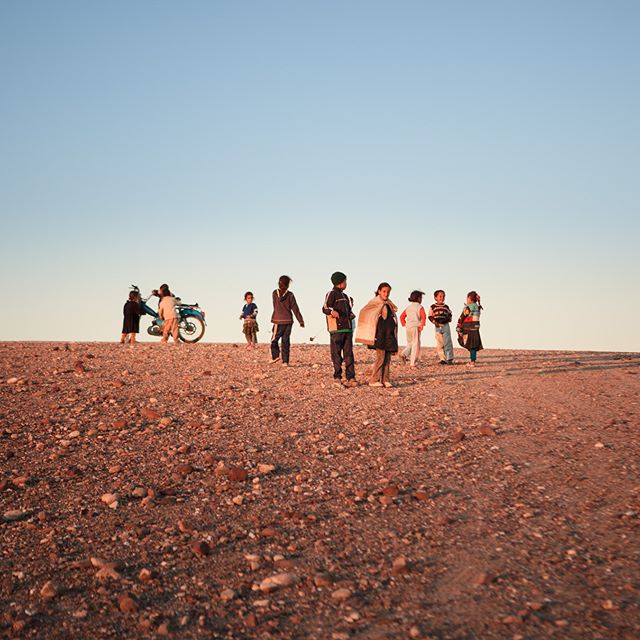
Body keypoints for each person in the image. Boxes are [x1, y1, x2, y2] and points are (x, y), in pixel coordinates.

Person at [355, 282, 398, 388]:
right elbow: (365, 312)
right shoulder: (374, 303)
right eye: (384, 291)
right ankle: (374, 379)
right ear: (379, 291)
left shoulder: (389, 304)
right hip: (379, 334)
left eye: (388, 292)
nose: (386, 294)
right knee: (380, 357)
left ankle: (386, 379)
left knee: (387, 357)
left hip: (389, 334)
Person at [322, 271, 356, 386]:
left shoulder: (346, 296)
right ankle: (337, 376)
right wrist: (332, 312)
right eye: (345, 281)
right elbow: (325, 308)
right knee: (336, 354)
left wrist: (351, 314)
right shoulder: (331, 294)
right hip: (336, 329)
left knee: (349, 354)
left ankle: (351, 377)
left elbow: (349, 311)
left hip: (347, 329)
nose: (346, 283)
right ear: (340, 283)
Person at [270, 275, 304, 365]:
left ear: (279, 283)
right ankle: (285, 361)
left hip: (278, 320)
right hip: (288, 321)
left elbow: (275, 306)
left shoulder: (274, 293)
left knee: (274, 339)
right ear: (288, 284)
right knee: (286, 340)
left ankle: (275, 356)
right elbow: (295, 308)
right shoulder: (290, 295)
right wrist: (300, 320)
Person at [399, 290, 426, 368]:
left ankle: (404, 354)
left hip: (408, 327)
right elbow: (423, 316)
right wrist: (422, 325)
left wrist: (404, 324)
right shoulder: (420, 307)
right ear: (418, 298)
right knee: (415, 344)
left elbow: (402, 316)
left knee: (410, 343)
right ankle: (412, 363)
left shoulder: (408, 307)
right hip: (415, 327)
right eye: (421, 298)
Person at [456, 291, 483, 366]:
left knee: (468, 344)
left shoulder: (468, 307)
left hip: (468, 329)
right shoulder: (477, 307)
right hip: (475, 329)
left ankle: (472, 362)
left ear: (469, 298)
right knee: (473, 346)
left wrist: (458, 327)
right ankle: (473, 361)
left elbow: (462, 317)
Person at [428, 289, 454, 364]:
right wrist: (434, 322)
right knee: (439, 343)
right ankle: (442, 358)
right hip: (437, 326)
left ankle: (449, 358)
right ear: (435, 298)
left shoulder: (446, 307)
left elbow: (450, 315)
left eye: (443, 296)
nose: (442, 298)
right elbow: (430, 316)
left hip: (445, 325)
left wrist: (447, 319)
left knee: (447, 342)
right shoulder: (433, 306)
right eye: (440, 296)